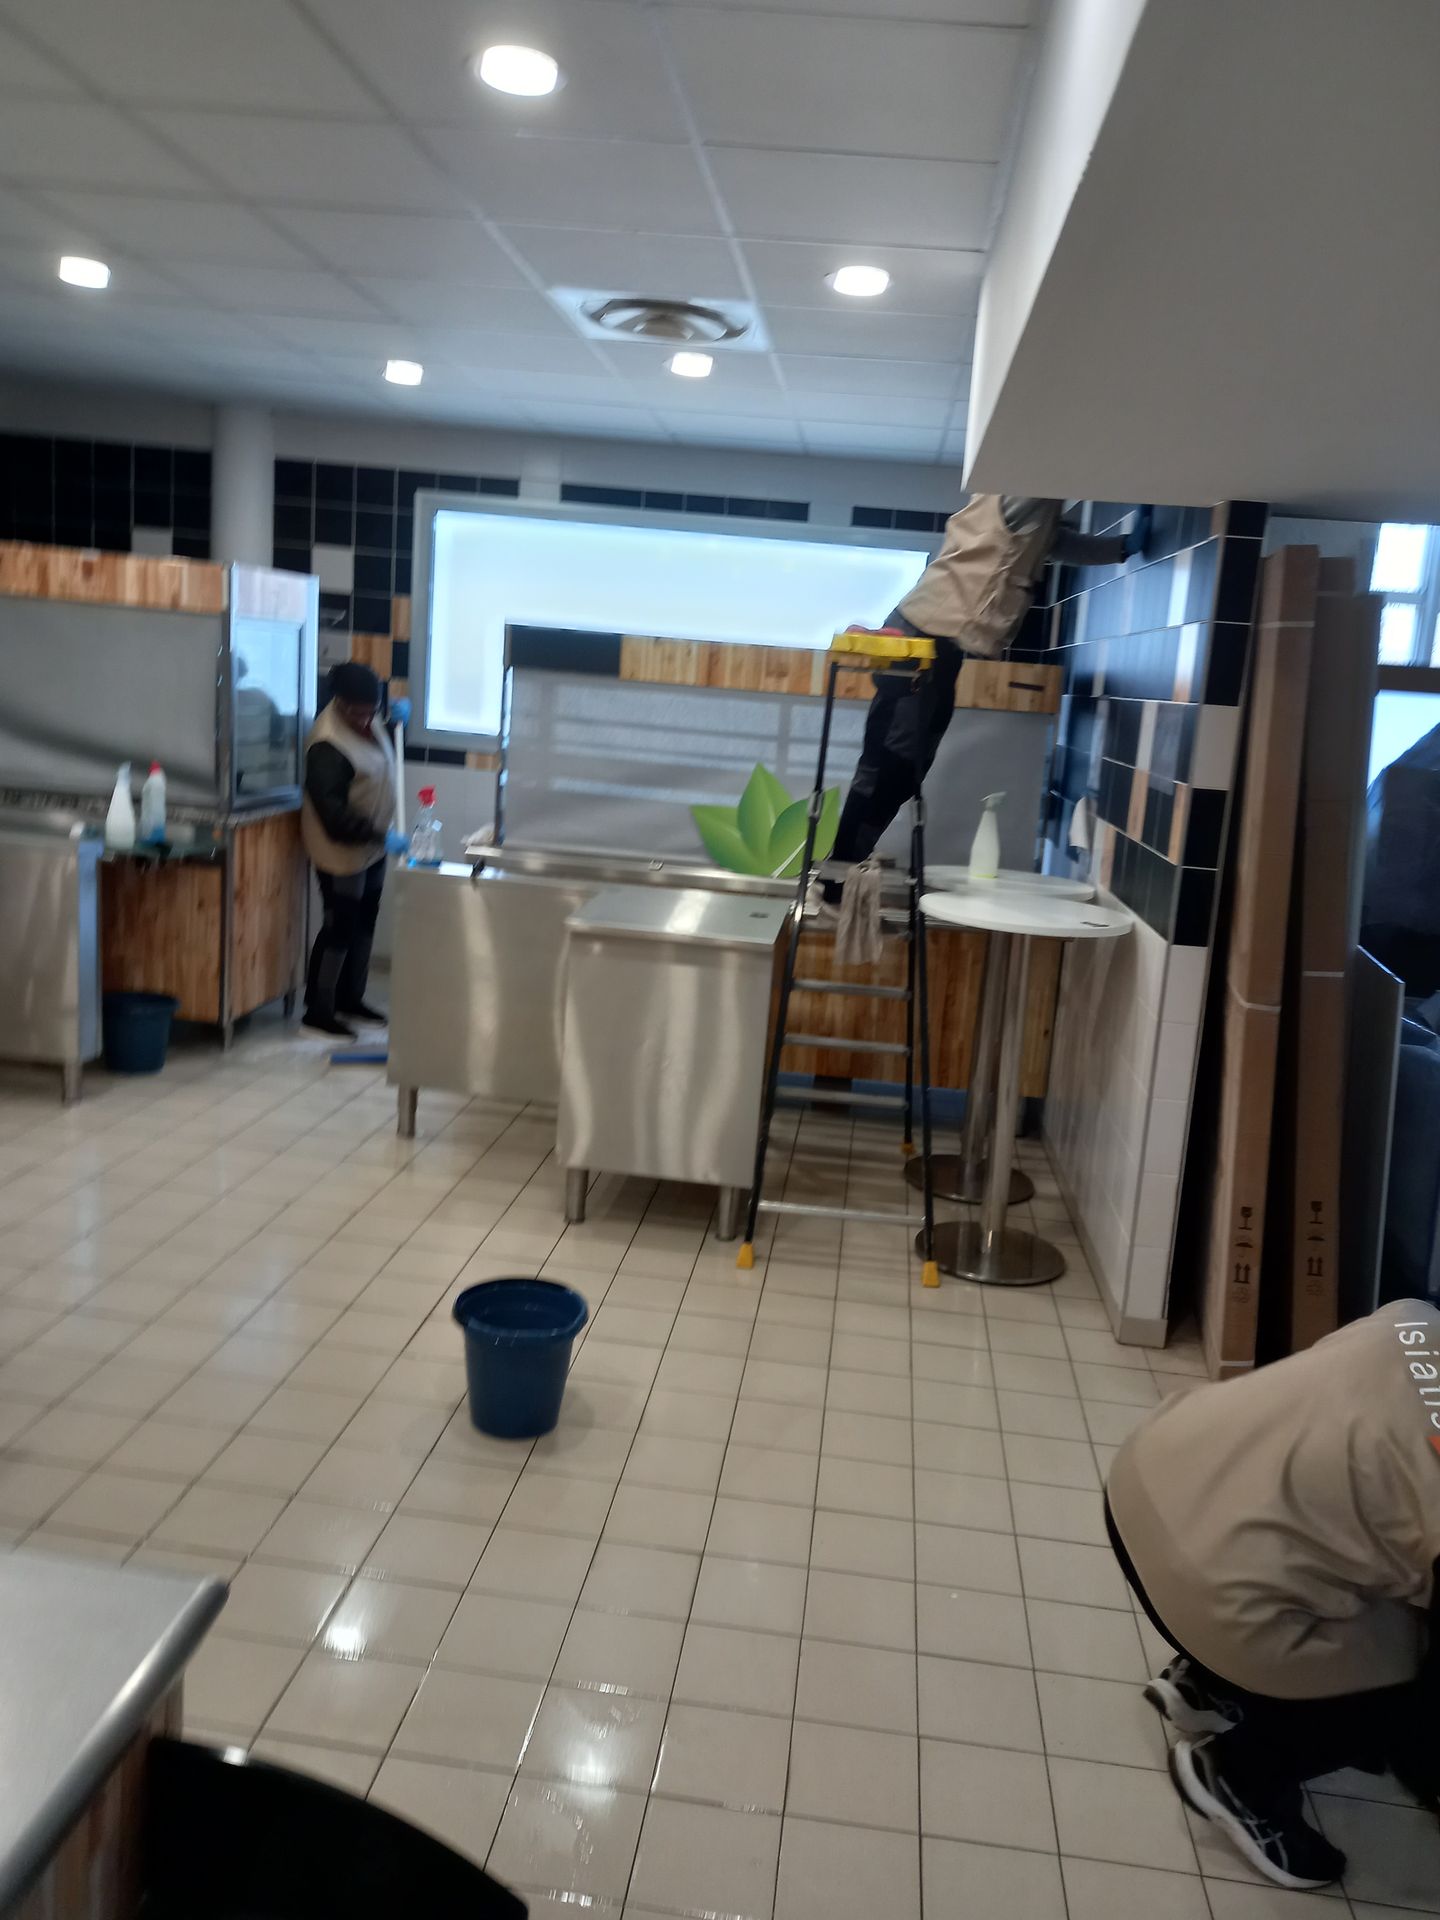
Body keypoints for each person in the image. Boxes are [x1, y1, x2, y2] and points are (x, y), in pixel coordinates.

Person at [1106, 1300, 1440, 1891]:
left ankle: (1208, 1682)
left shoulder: (1414, 1319)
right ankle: (1241, 1778)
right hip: (1209, 1593)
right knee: (1405, 1681)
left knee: (1332, 1518)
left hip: (1139, 1478)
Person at [831, 495, 1149, 867]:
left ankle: (845, 865)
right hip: (923, 636)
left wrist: (1120, 547)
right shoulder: (1024, 484)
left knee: (903, 768)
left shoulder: (1033, 495)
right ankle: (838, 875)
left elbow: (1049, 541)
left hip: (936, 639)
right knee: (891, 765)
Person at [300, 661, 407, 1039]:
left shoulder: (367, 718)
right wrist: (381, 837)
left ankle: (350, 998)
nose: (366, 720)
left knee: (364, 923)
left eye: (371, 712)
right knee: (340, 927)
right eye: (359, 713)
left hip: (371, 847)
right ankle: (319, 1009)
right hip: (340, 849)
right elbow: (334, 817)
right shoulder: (326, 745)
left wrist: (393, 724)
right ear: (340, 704)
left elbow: (373, 758)